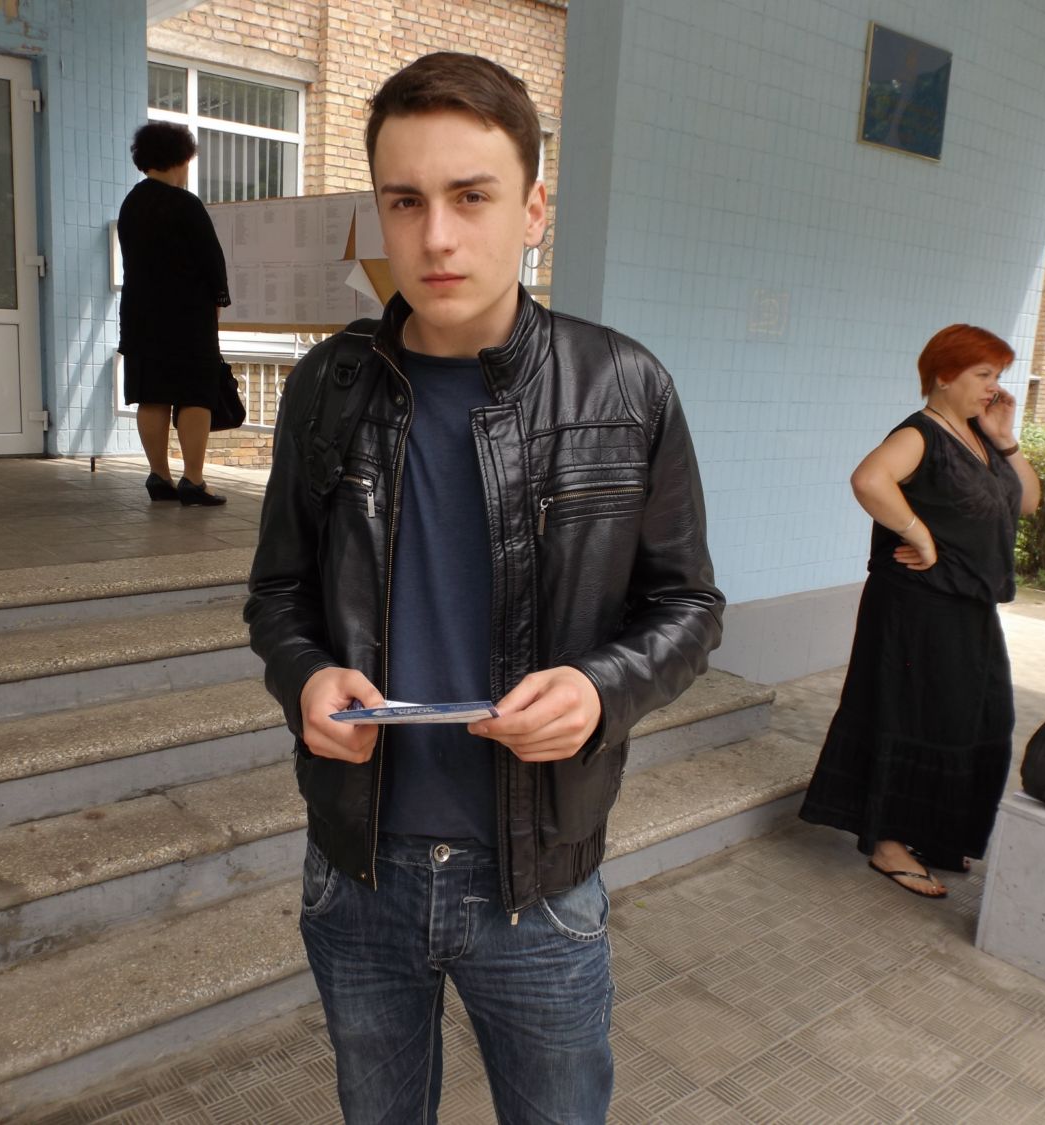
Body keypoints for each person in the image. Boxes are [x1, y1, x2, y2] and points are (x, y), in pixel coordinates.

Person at [244, 52, 723, 1124]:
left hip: (538, 881)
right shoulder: (328, 387)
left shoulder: (624, 387)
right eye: (405, 202)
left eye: (472, 197)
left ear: (533, 208)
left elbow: (689, 608)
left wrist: (600, 689)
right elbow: (278, 593)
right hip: (358, 867)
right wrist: (306, 676)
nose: (437, 238)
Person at [799, 325, 1042, 898]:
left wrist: (1006, 439)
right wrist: (919, 534)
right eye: (983, 374)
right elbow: (869, 480)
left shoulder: (980, 436)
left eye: (997, 376)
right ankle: (887, 842)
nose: (994, 387)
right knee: (912, 717)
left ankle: (935, 832)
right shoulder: (920, 433)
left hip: (969, 606)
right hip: (918, 605)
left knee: (980, 720)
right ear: (944, 375)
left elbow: (1028, 501)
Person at [116, 122, 230, 505]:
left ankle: (159, 476)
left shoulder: (131, 204)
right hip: (186, 317)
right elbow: (212, 263)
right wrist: (216, 305)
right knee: (196, 394)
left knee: (151, 395)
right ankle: (193, 480)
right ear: (179, 159)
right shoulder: (186, 204)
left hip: (140, 315)